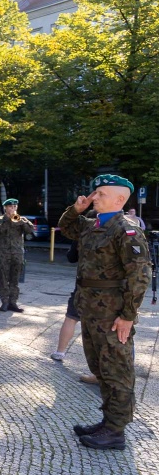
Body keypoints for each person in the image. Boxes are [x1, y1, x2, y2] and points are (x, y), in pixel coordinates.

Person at [58, 174, 151, 450]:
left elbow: (140, 275)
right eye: (94, 193)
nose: (94, 198)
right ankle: (107, 422)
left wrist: (128, 315)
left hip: (113, 314)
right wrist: (77, 208)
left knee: (117, 371)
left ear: (120, 200)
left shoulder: (127, 230)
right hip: (89, 308)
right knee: (99, 368)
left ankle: (116, 431)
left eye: (100, 194)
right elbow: (66, 227)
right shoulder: (92, 225)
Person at [0, 199, 35, 312]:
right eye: (10, 207)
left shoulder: (22, 219)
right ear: (5, 208)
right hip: (3, 254)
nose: (13, 209)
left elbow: (30, 230)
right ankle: (4, 302)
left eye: (15, 206)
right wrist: (9, 219)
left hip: (17, 254)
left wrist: (20, 221)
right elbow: (0, 230)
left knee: (15, 280)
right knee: (3, 279)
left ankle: (13, 303)